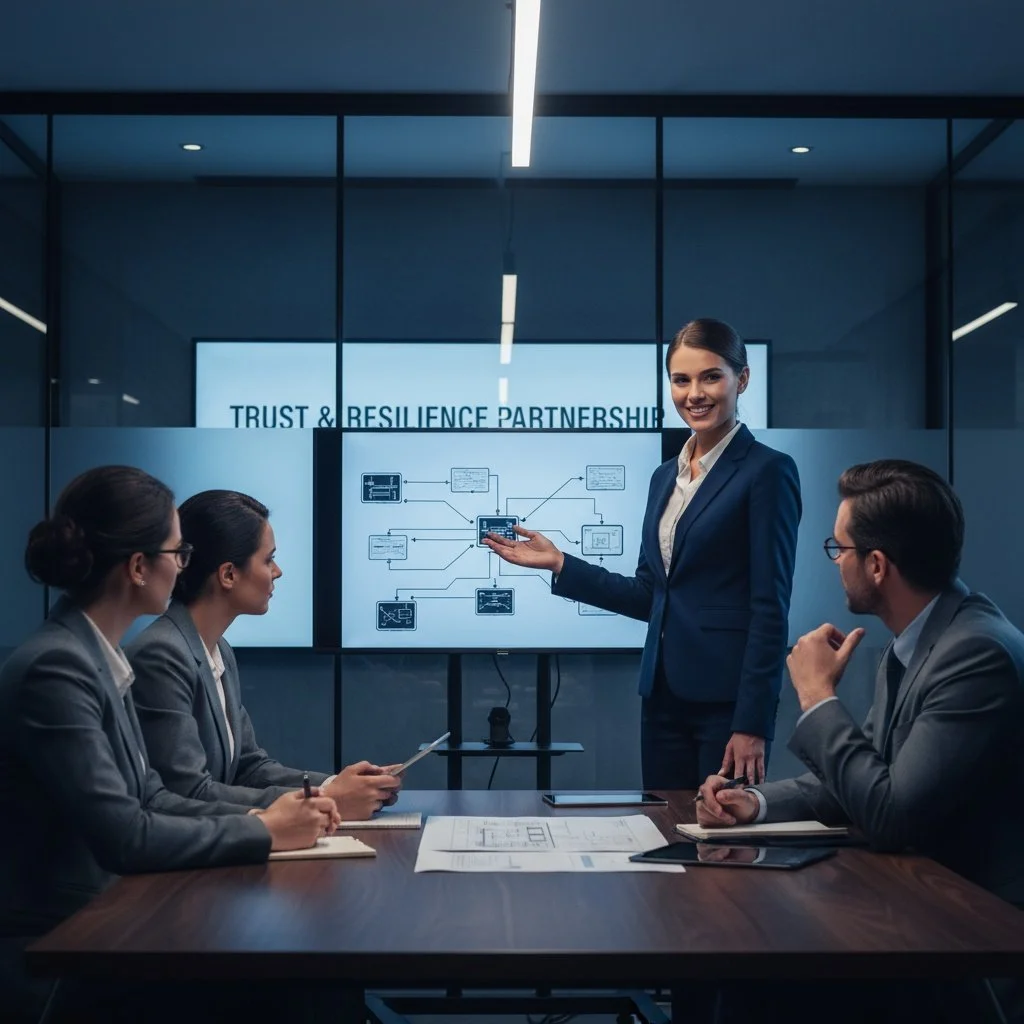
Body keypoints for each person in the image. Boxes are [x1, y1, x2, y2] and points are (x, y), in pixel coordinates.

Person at [0, 466, 338, 1021]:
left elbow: (153, 797)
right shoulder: (58, 668)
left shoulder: (93, 655)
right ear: (138, 566)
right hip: (64, 945)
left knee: (306, 983)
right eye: (178, 552)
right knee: (304, 991)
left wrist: (274, 820)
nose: (185, 566)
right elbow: (126, 836)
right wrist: (263, 829)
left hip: (111, 922)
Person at [485, 318, 801, 789]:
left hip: (728, 706)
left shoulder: (767, 472)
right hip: (662, 697)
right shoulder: (663, 477)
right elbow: (650, 595)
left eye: (711, 376)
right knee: (666, 835)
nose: (695, 393)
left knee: (723, 842)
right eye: (681, 379)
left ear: (743, 379)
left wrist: (753, 721)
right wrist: (560, 564)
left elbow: (770, 609)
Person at [695, 459, 1024, 909]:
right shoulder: (921, 638)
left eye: (839, 548)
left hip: (976, 923)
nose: (835, 562)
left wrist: (816, 695)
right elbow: (864, 777)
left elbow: (890, 815)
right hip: (921, 895)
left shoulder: (974, 655)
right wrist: (752, 802)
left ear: (876, 566)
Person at [127, 489, 401, 819]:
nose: (277, 571)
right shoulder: (163, 654)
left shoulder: (218, 650)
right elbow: (187, 793)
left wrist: (334, 785)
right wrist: (327, 799)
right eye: (268, 559)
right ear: (228, 574)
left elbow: (248, 767)